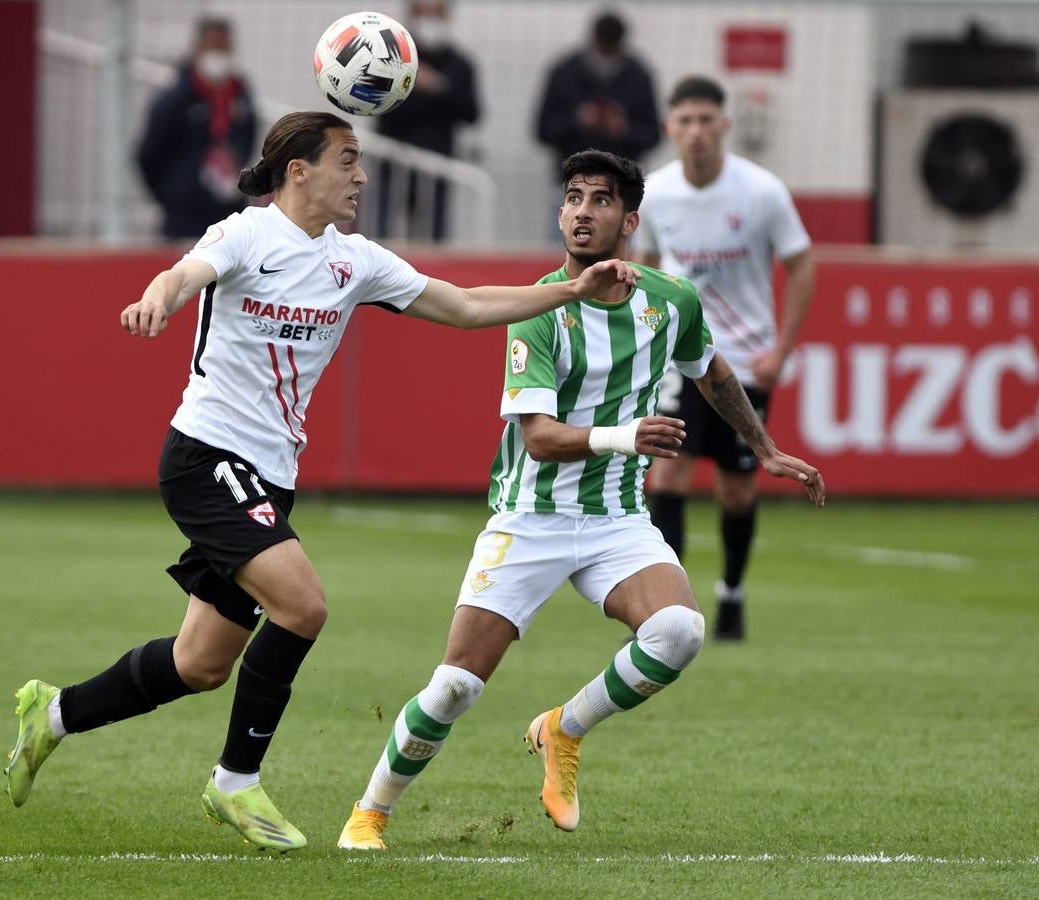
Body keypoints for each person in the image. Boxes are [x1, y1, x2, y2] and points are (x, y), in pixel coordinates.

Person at [2, 112, 639, 854]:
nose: (361, 176)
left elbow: (463, 307)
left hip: (270, 477)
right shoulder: (246, 234)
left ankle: (51, 715)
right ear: (298, 171)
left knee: (199, 664)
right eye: (347, 161)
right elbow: (184, 274)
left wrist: (570, 292)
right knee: (303, 607)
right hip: (208, 457)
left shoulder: (355, 260)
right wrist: (159, 298)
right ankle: (235, 782)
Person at [336, 150, 825, 850]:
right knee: (454, 688)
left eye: (600, 200)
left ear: (630, 220)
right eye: (572, 197)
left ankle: (564, 727)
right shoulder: (539, 311)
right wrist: (628, 436)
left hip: (615, 522)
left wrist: (765, 444)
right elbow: (538, 439)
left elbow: (710, 370)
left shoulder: (670, 300)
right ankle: (370, 812)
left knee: (680, 632)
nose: (581, 211)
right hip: (529, 519)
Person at [632, 75, 816, 641]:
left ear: (724, 126)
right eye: (684, 121)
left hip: (741, 363)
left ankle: (732, 594)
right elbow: (644, 269)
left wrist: (781, 348)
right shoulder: (657, 192)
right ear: (670, 127)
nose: (696, 132)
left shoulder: (761, 191)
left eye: (706, 120)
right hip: (678, 360)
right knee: (668, 472)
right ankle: (666, 612)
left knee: (737, 488)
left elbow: (802, 263)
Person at [136, 17, 258, 239]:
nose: (218, 55)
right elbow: (148, 154)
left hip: (228, 211)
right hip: (185, 218)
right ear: (197, 49)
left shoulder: (239, 94)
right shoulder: (175, 98)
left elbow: (248, 138)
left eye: (223, 48)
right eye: (212, 47)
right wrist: (174, 196)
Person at [375, 0, 480, 241]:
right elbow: (381, 107)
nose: (430, 21)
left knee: (434, 230)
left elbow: (471, 112)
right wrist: (411, 86)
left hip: (439, 163)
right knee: (383, 226)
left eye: (436, 14)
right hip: (393, 158)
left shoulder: (460, 64)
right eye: (424, 13)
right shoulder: (392, 60)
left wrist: (439, 88)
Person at [534, 11, 661, 180]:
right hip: (573, 182)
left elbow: (653, 136)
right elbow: (543, 131)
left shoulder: (639, 76)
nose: (606, 56)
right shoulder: (564, 72)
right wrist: (577, 121)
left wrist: (623, 129)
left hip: (621, 185)